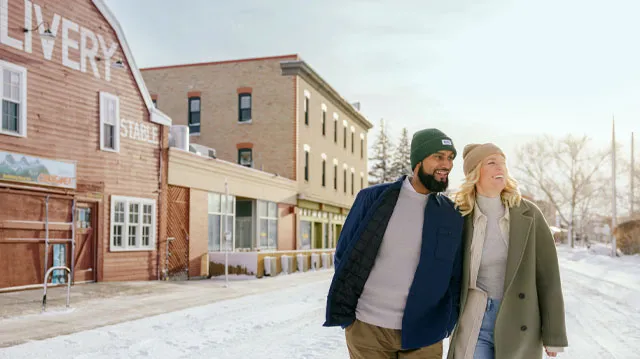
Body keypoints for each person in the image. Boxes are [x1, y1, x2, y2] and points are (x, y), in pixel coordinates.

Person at [324, 128, 464, 359]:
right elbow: (345, 256)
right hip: (368, 328)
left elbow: (455, 275)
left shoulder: (451, 214)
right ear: (418, 160)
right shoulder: (372, 199)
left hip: (424, 333)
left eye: (450, 158)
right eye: (438, 156)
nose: (446, 164)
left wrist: (447, 322)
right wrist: (352, 320)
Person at [448, 143, 568, 359]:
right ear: (475, 173)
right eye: (491, 163)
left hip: (519, 319)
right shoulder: (459, 215)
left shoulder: (529, 215)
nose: (500, 168)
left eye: (503, 163)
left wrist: (554, 334)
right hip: (475, 319)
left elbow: (549, 278)